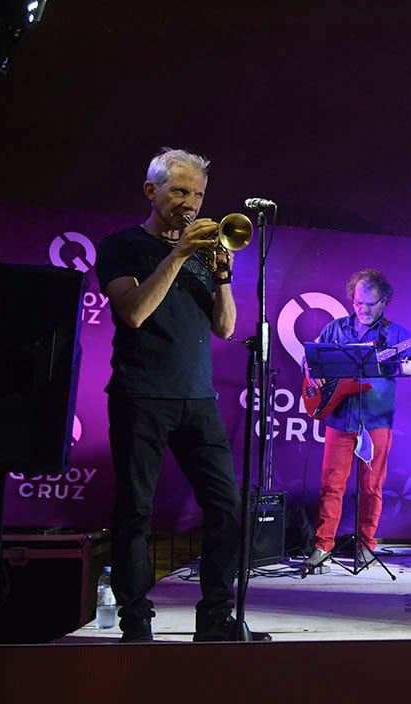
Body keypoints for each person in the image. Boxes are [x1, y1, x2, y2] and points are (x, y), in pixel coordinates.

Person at [96, 147, 269, 642]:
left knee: (228, 507)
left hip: (198, 398)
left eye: (197, 193)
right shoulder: (122, 246)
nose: (190, 203)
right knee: (135, 511)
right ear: (152, 191)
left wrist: (221, 274)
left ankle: (215, 616)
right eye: (179, 191)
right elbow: (132, 313)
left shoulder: (202, 253)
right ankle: (135, 619)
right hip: (141, 395)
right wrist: (177, 254)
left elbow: (226, 327)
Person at [304, 269, 411, 569]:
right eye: (358, 302)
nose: (363, 309)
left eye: (370, 304)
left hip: (376, 421)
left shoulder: (395, 334)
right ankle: (323, 547)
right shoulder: (336, 329)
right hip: (338, 418)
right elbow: (309, 358)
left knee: (372, 487)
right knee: (331, 485)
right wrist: (312, 377)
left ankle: (366, 546)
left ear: (384, 302)